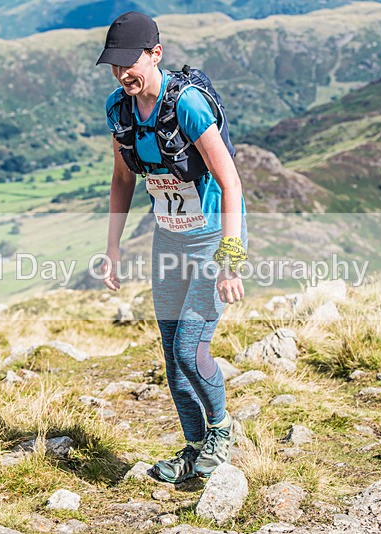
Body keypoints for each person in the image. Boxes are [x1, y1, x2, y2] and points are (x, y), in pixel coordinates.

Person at [96, 11, 249, 483]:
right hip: (168, 238)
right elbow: (122, 180)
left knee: (189, 350)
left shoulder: (188, 105)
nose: (122, 73)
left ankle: (221, 431)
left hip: (212, 239)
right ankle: (194, 447)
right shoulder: (119, 110)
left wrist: (230, 260)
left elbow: (230, 182)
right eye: (114, 64)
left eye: (130, 62)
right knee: (171, 355)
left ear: (155, 54)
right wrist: (113, 248)